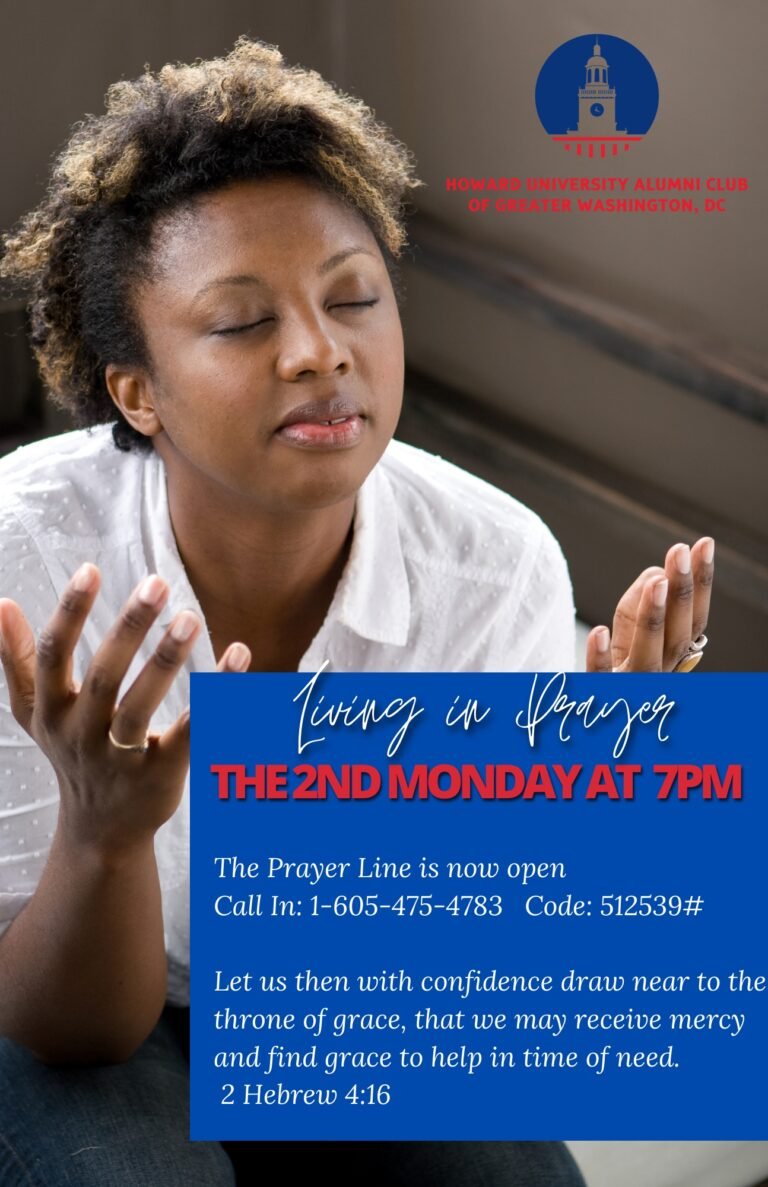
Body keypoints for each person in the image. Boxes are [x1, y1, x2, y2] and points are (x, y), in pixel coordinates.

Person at [0, 36, 712, 1186]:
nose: (320, 352)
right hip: (69, 1003)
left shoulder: (493, 566)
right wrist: (104, 831)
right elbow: (71, 1025)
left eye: (353, 298)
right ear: (136, 391)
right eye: (243, 322)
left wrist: (590, 802)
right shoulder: (27, 556)